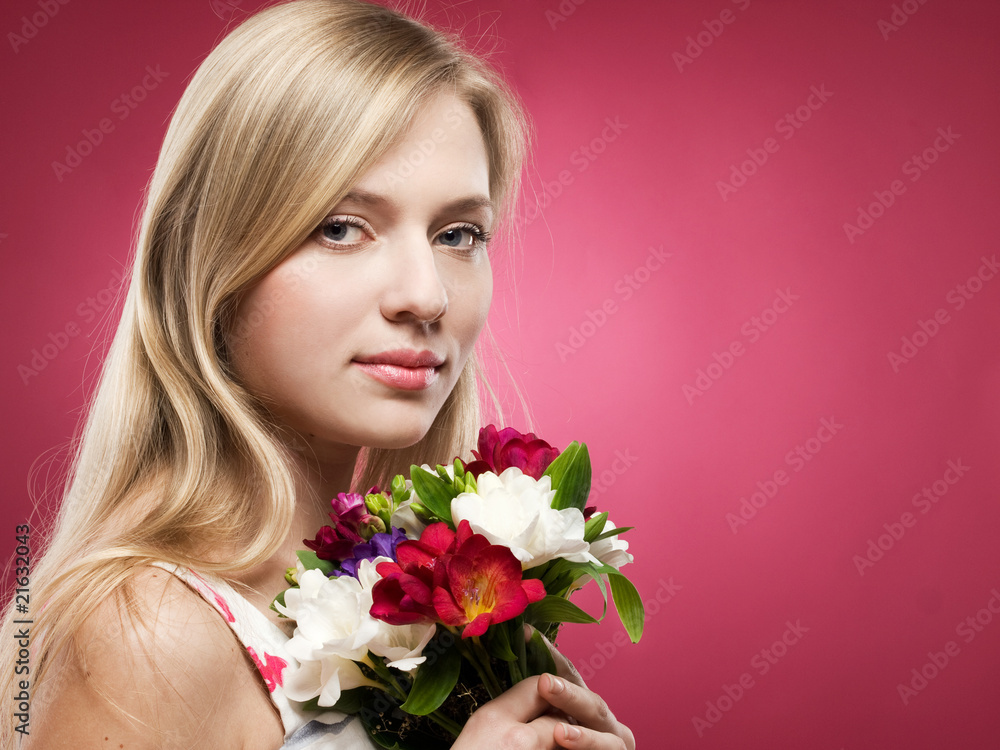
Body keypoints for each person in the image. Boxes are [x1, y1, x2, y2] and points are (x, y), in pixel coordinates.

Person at [0, 1, 635, 748]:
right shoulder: (146, 628)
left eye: (458, 234)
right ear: (212, 264)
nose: (426, 295)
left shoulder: (416, 617)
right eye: (341, 227)